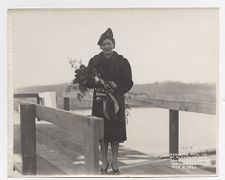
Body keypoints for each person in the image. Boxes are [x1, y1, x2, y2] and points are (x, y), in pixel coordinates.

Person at [85, 28, 133, 174]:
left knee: (115, 133)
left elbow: (128, 82)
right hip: (100, 101)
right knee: (102, 133)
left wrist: (116, 87)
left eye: (109, 43)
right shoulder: (94, 61)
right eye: (104, 44)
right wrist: (95, 81)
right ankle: (104, 161)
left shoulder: (122, 61)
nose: (107, 46)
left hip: (116, 103)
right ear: (100, 46)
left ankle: (115, 161)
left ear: (114, 44)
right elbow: (87, 82)